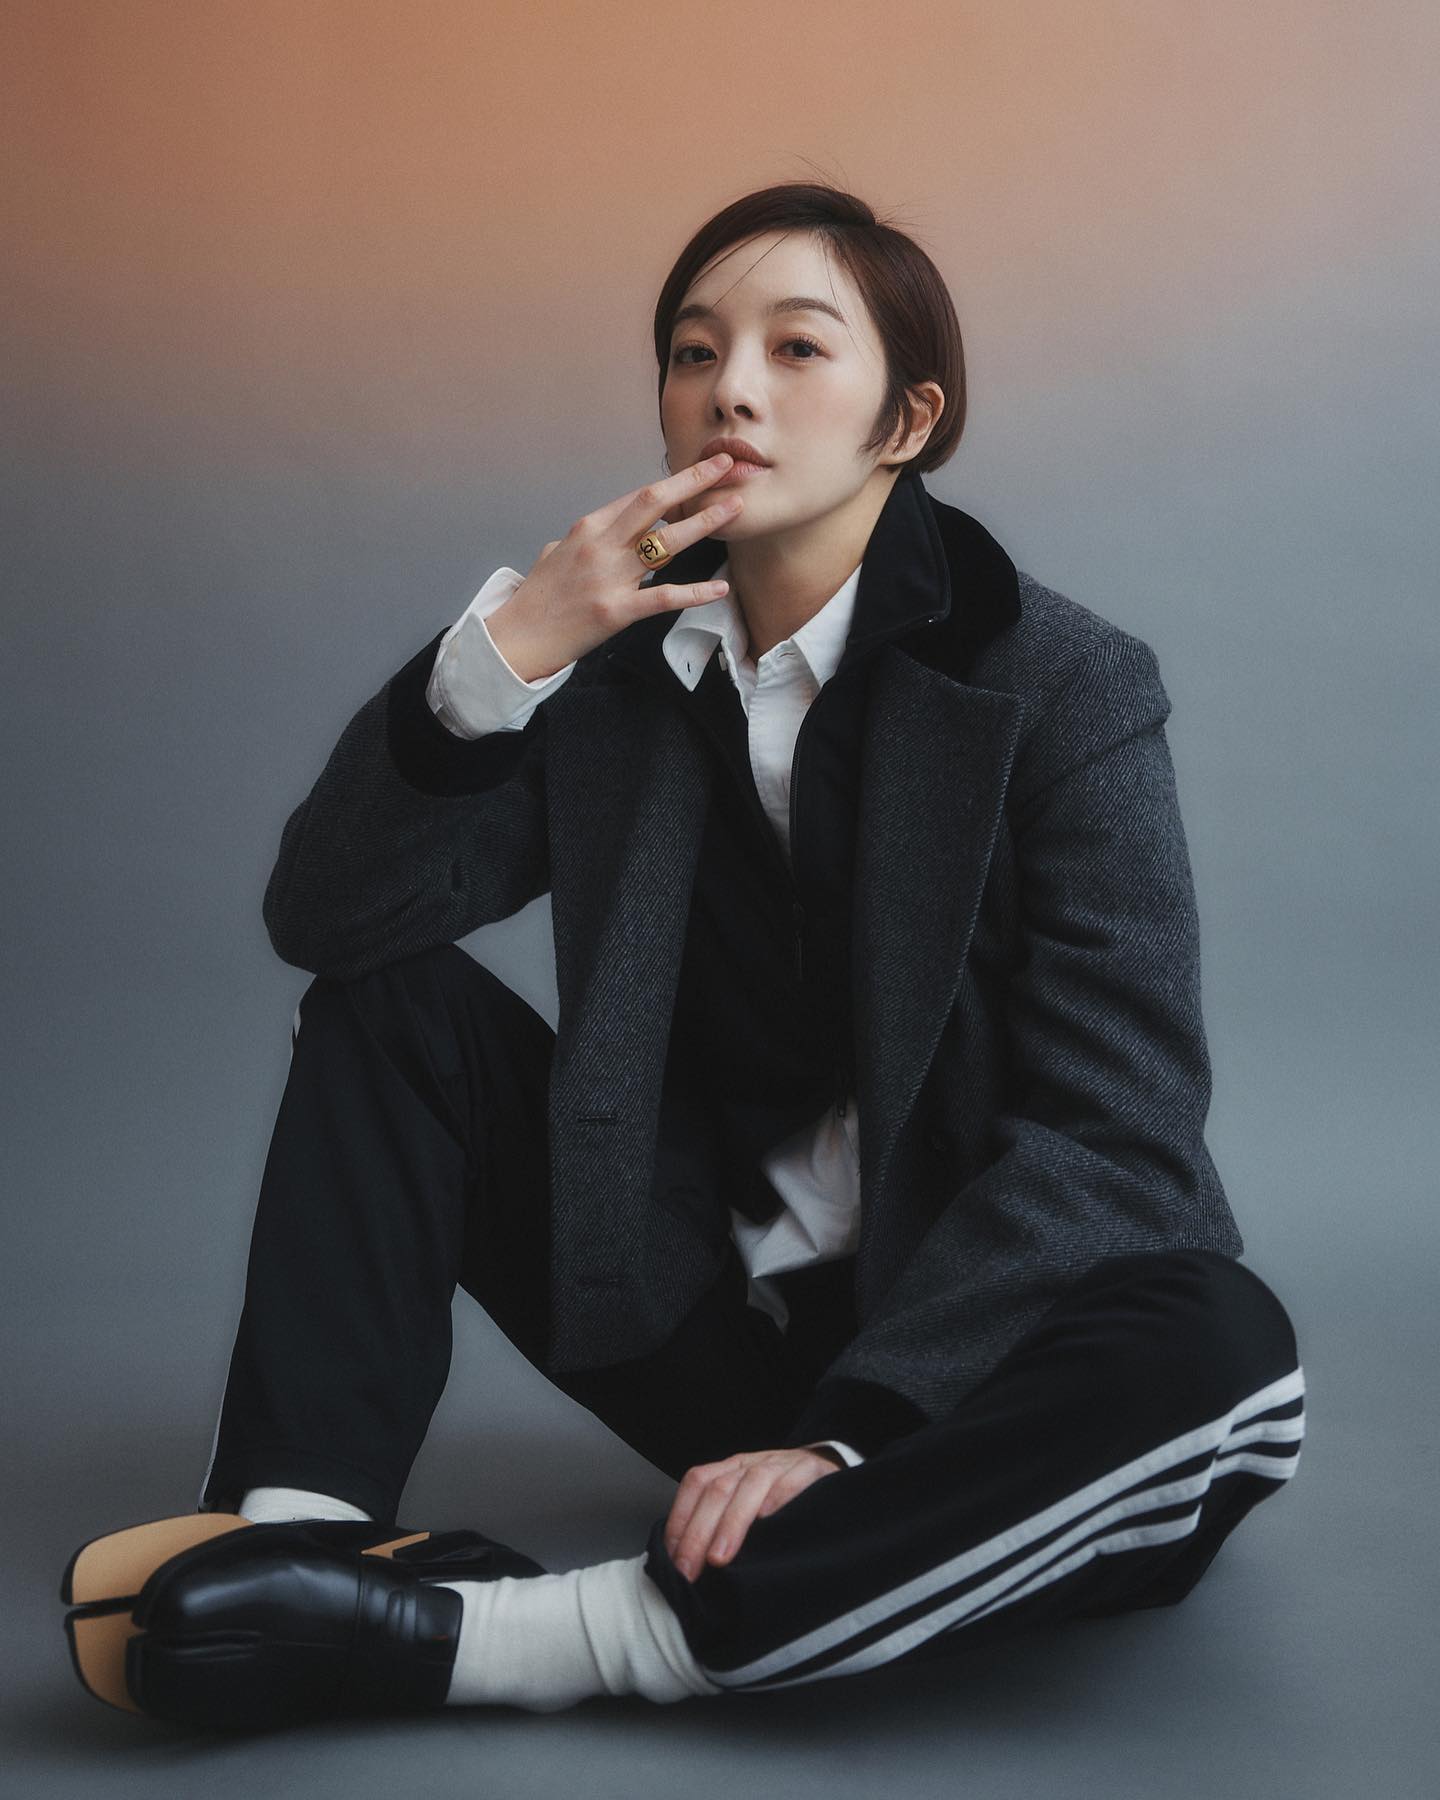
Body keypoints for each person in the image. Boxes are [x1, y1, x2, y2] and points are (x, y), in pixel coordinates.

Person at [60, 180, 1305, 1731]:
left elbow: (1122, 1142)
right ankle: (295, 1541)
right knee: (392, 1009)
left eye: (798, 349)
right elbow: (331, 921)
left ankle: (535, 1634)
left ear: (907, 420)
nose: (731, 390)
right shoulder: (619, 681)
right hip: (707, 1340)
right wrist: (504, 656)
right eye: (695, 352)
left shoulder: (1061, 685)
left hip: (965, 1370)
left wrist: (853, 1434)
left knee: (1227, 1347)